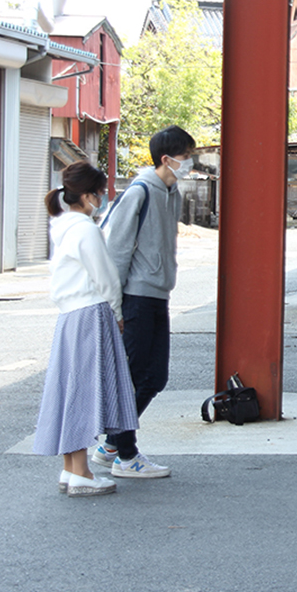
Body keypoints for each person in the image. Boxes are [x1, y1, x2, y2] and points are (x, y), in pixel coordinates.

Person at [92, 125, 196, 479]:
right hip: (136, 298)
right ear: (166, 159)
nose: (190, 163)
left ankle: (110, 443)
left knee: (156, 377)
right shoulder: (140, 192)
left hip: (158, 295)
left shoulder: (173, 192)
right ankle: (126, 455)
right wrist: (116, 307)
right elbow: (116, 251)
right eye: (185, 157)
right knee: (135, 377)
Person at [34, 161, 139, 497]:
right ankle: (81, 473)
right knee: (85, 391)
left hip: (69, 316)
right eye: (100, 192)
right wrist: (118, 312)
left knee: (71, 388)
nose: (103, 197)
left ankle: (72, 468)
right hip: (91, 313)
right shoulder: (86, 230)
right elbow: (106, 277)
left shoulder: (62, 225)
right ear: (89, 195)